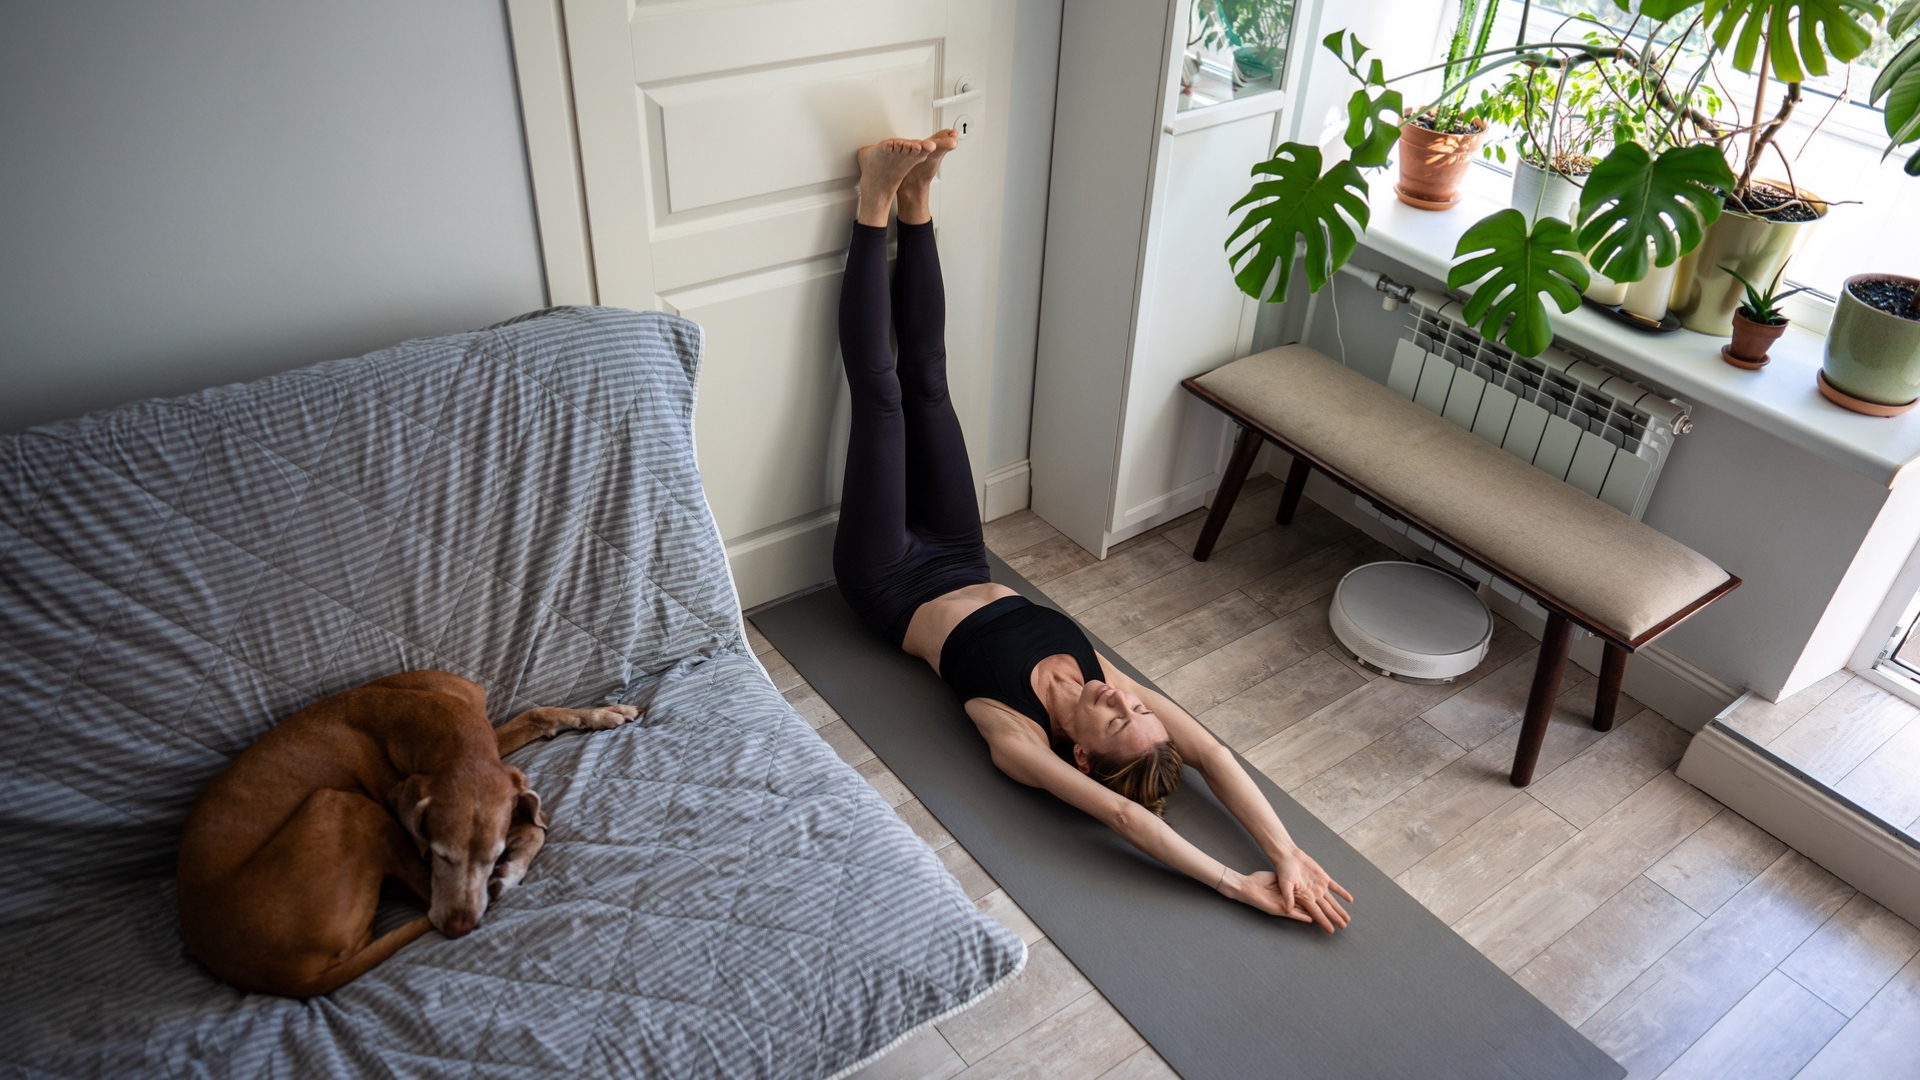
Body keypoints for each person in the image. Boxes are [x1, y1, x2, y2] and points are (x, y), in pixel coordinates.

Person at [829, 131, 1353, 932]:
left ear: (1079, 755)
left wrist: (1231, 883)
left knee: (885, 395)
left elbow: (1127, 819)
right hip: (963, 551)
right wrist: (1284, 850)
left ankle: (873, 199)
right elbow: (1213, 756)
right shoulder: (1115, 696)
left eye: (1112, 717)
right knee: (931, 383)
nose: (1118, 693)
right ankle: (917, 198)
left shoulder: (1017, 740)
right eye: (1132, 704)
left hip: (890, 578)